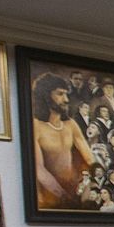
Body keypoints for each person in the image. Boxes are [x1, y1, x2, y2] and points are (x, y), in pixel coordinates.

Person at [31, 72, 95, 209]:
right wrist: (64, 197)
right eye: (60, 94)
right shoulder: (36, 126)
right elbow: (39, 170)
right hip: (49, 198)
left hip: (74, 190)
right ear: (46, 95)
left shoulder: (70, 124)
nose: (66, 99)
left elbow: (89, 157)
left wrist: (94, 178)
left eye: (66, 94)